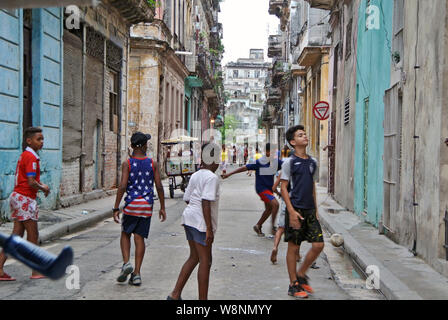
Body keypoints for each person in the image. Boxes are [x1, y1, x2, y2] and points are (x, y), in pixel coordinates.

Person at [168, 142, 221, 300]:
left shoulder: (196, 175)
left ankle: (175, 294)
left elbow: (187, 198)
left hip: (189, 218)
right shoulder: (211, 178)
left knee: (194, 257)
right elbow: (206, 202)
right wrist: (209, 228)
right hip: (201, 223)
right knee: (206, 261)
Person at [113, 132, 166, 286]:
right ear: (144, 146)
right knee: (139, 237)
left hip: (131, 205)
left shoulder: (127, 163)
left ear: (131, 146)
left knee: (125, 233)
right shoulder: (152, 163)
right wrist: (162, 207)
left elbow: (122, 186)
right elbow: (159, 186)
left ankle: (126, 263)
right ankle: (136, 274)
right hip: (146, 206)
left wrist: (116, 207)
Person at [0, 127, 50, 281]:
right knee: (33, 235)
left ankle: (0, 269)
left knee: (17, 235)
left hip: (19, 197)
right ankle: (35, 270)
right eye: (38, 139)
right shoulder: (31, 157)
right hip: (25, 199)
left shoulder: (27, 155)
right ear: (29, 141)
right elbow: (30, 181)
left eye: (42, 139)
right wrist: (43, 188)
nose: (41, 142)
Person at [281, 125, 323, 299]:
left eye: (305, 134)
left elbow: (312, 186)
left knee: (318, 245)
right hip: (295, 209)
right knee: (294, 247)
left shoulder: (313, 162)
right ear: (293, 142)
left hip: (310, 210)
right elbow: (283, 187)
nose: (305, 136)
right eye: (300, 135)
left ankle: (302, 273)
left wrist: (316, 209)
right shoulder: (289, 162)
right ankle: (293, 284)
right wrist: (291, 212)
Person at [222, 143, 282, 236]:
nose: (274, 154)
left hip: (269, 189)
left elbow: (287, 165)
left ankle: (258, 226)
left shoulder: (276, 162)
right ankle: (273, 227)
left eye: (275, 152)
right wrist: (229, 174)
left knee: (269, 209)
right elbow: (244, 168)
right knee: (275, 204)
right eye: (272, 151)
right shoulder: (259, 162)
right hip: (261, 189)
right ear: (266, 152)